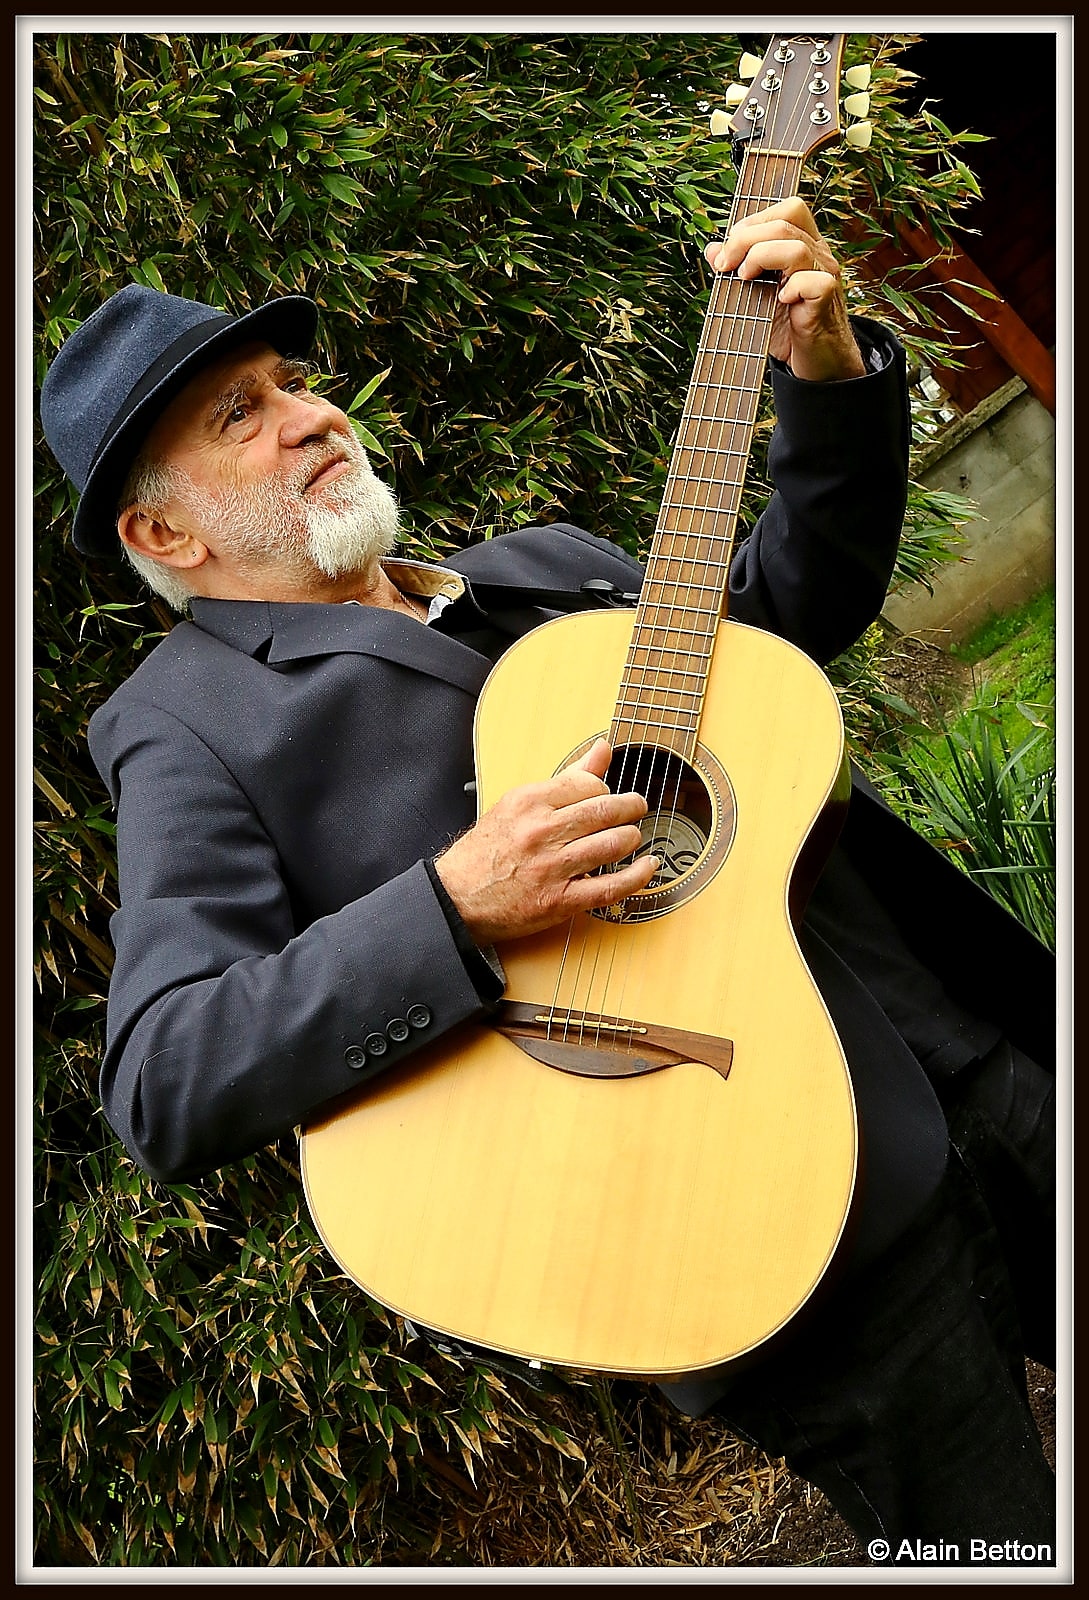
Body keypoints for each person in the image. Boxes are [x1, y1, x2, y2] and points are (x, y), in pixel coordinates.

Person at [40, 198, 1057, 1566]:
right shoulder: (185, 726)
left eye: (291, 381)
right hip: (755, 1206)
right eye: (241, 414)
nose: (310, 415)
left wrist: (824, 374)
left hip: (962, 1053)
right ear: (167, 537)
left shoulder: (540, 569)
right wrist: (454, 902)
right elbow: (168, 1077)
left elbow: (785, 626)